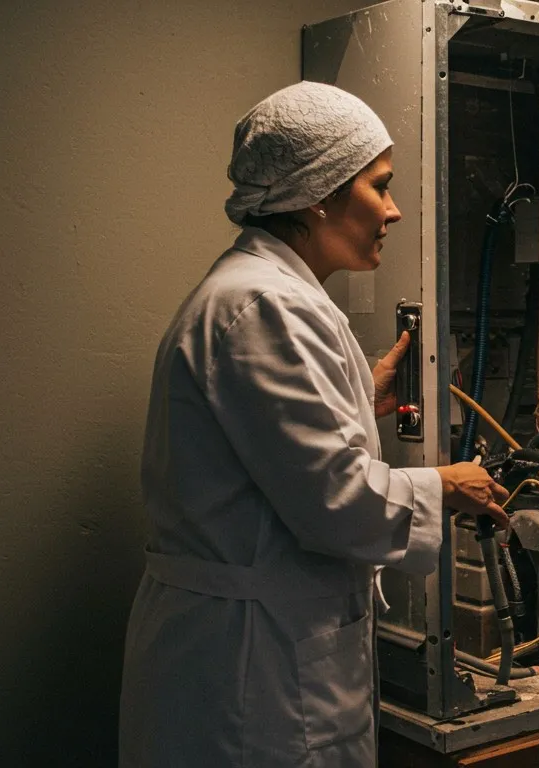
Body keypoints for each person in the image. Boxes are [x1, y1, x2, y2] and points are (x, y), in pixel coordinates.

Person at [119, 82, 510, 767]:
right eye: (379, 186)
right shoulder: (264, 306)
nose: (392, 211)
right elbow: (337, 505)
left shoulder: (265, 294)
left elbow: (271, 447)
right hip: (252, 677)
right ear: (321, 191)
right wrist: (447, 485)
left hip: (261, 648)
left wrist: (358, 388)